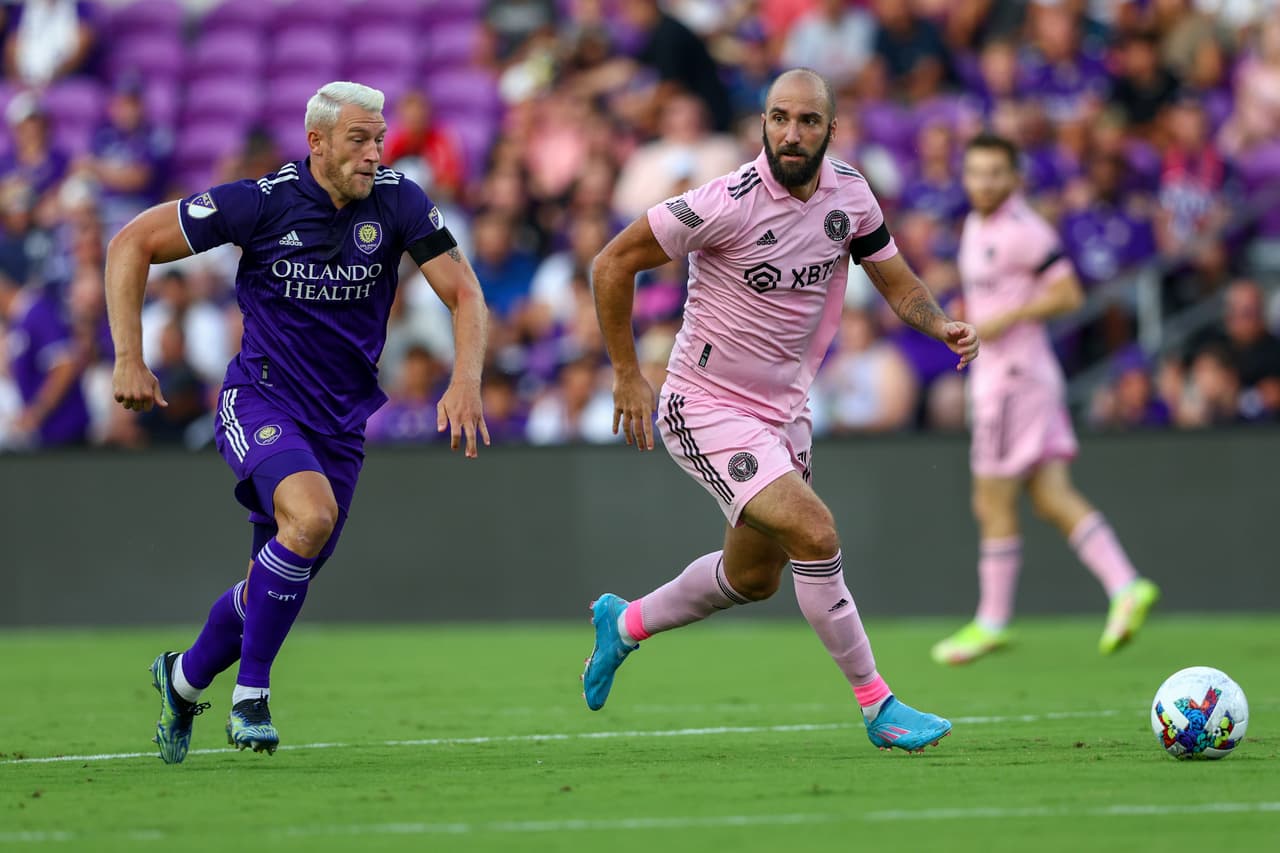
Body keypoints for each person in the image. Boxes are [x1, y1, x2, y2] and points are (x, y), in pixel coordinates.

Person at [582, 69, 978, 753]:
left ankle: (625, 623)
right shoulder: (725, 202)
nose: (791, 133)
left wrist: (939, 323)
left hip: (782, 412)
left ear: (831, 128)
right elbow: (611, 263)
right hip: (702, 403)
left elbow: (891, 274)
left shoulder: (850, 193)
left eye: (808, 121)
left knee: (754, 577)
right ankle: (878, 704)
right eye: (779, 118)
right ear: (762, 123)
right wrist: (626, 374)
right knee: (816, 534)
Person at [105, 82, 489, 764]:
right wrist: (130, 358)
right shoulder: (260, 201)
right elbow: (131, 243)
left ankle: (183, 678)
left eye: (379, 139)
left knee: (276, 578)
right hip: (261, 398)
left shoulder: (400, 199)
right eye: (359, 140)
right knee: (308, 521)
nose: (375, 153)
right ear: (317, 142)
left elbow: (463, 292)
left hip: (340, 422)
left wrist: (464, 380)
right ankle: (251, 695)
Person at [930, 132, 1159, 667]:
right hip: (1023, 377)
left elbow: (1068, 291)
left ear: (1014, 179)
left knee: (991, 501)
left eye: (994, 173)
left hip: (1012, 379)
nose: (984, 182)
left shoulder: (1023, 230)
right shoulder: (974, 224)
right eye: (976, 172)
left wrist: (998, 321)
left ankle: (991, 621)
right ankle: (1126, 586)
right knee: (1051, 495)